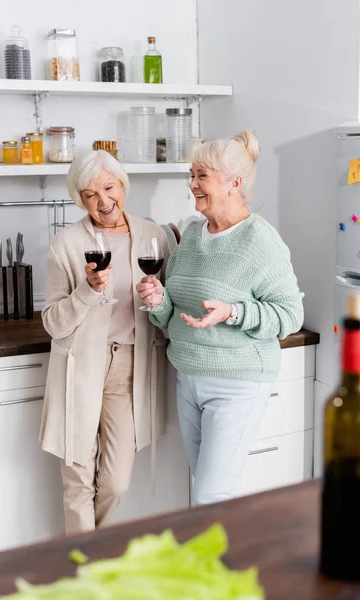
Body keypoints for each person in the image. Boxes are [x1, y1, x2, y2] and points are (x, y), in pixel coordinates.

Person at [137, 130, 304, 506]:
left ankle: (220, 564)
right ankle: (214, 562)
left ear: (234, 183)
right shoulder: (193, 234)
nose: (192, 185)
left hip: (237, 383)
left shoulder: (261, 241)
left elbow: (291, 315)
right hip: (188, 377)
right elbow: (170, 317)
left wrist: (234, 312)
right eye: (191, 175)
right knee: (205, 490)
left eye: (202, 176)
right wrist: (158, 299)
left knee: (213, 493)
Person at [40, 150, 169, 534]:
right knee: (78, 477)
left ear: (123, 184)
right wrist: (85, 291)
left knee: (115, 482)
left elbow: (169, 298)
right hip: (80, 365)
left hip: (130, 367)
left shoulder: (153, 236)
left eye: (109, 187)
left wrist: (159, 296)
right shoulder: (66, 244)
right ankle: (83, 571)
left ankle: (79, 554)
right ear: (79, 199)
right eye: (89, 194)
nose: (103, 201)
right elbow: (52, 322)